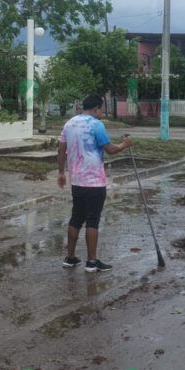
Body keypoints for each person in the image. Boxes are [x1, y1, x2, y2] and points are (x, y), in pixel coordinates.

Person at [57, 94, 133, 272]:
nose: (102, 113)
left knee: (76, 218)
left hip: (77, 181)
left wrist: (61, 172)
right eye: (101, 110)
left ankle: (70, 258)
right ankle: (92, 262)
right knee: (93, 221)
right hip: (94, 182)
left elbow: (61, 149)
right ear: (97, 108)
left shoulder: (69, 124)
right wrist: (126, 144)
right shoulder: (96, 124)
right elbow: (111, 150)